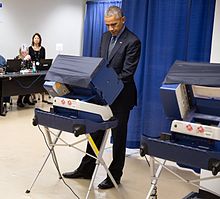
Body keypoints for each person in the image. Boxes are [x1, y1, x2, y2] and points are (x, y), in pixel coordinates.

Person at [62, 6, 141, 189]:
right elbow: (101, 64)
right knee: (95, 131)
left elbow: (127, 74)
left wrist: (106, 87)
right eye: (108, 25)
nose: (111, 28)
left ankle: (114, 176)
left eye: (114, 24)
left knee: (118, 137)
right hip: (103, 94)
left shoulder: (132, 41)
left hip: (122, 96)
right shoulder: (105, 37)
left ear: (123, 20)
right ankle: (86, 169)